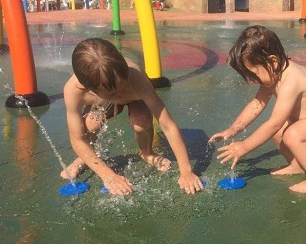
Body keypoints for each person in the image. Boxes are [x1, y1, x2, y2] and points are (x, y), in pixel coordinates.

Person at [209, 25, 306, 194]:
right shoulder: (273, 74)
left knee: (291, 133)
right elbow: (257, 104)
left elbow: (274, 124)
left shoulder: (292, 81)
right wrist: (234, 129)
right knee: (279, 132)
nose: (252, 80)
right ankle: (297, 165)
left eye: (253, 73)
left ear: (273, 61)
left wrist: (245, 147)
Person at [61, 38, 203, 196]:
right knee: (91, 125)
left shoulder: (135, 79)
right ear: (84, 87)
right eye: (114, 93)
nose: (121, 93)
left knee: (141, 122)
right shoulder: (73, 91)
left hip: (135, 97)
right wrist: (109, 176)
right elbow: (78, 139)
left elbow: (168, 125)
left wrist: (186, 171)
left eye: (124, 85)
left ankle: (147, 153)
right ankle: (83, 158)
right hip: (102, 100)